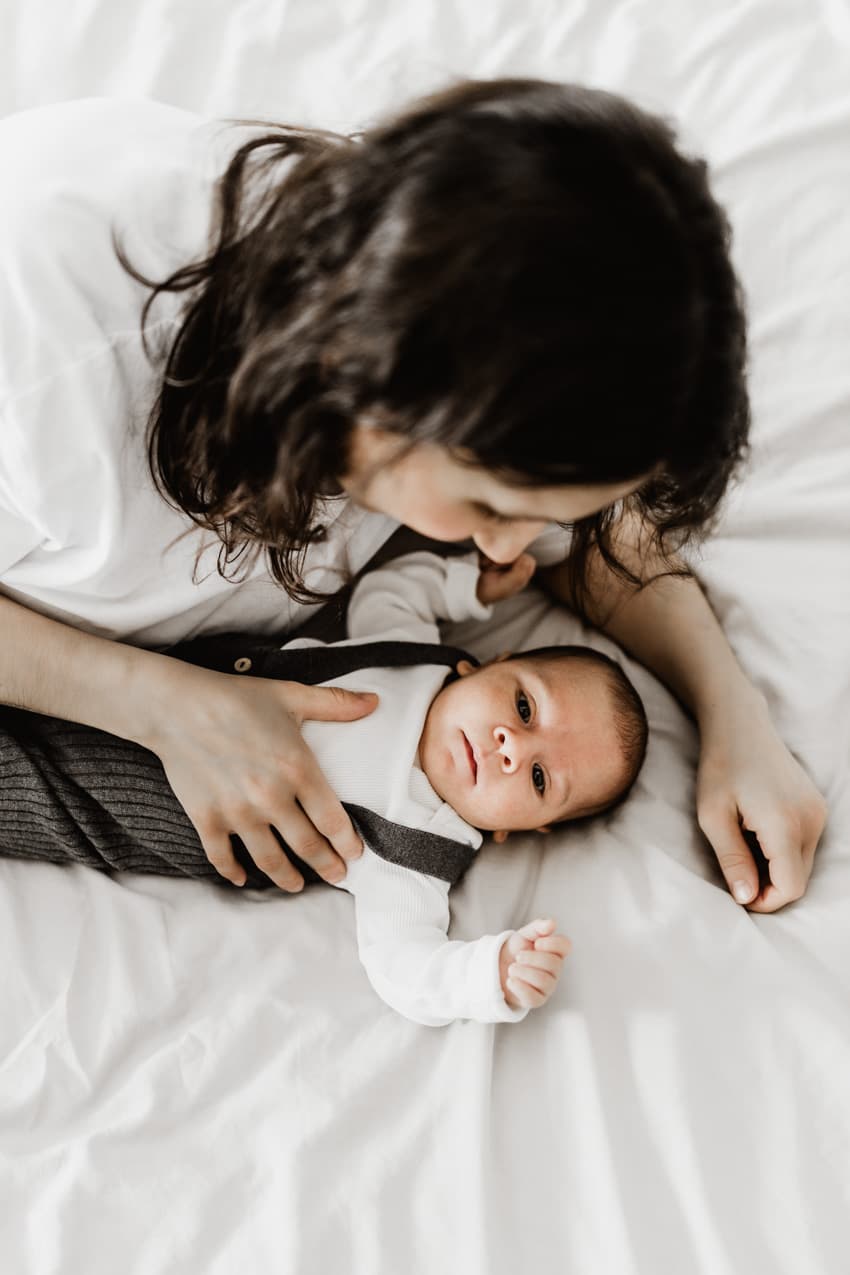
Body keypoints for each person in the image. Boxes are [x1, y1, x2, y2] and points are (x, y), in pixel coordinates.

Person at [0, 78, 825, 916]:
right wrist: (162, 707)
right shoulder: (44, 351)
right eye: (493, 508)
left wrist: (736, 721)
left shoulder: (465, 296)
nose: (512, 553)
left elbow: (598, 543)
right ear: (383, 388)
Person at [0, 549, 648, 1025]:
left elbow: (406, 967)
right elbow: (396, 589)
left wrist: (487, 974)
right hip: (172, 681)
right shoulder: (412, 646)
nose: (511, 746)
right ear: (488, 666)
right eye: (526, 708)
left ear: (515, 830)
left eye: (538, 777)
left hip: (136, 807)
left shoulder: (417, 855)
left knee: (22, 788)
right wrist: (466, 586)